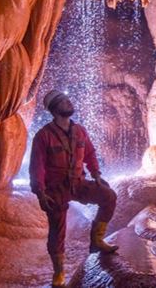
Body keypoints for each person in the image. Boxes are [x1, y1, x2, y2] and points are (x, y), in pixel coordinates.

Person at [30, 89, 118, 287]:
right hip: (55, 189)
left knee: (108, 196)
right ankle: (59, 272)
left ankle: (97, 240)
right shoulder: (43, 136)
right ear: (54, 109)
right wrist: (40, 191)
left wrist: (96, 175)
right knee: (57, 229)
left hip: (78, 183)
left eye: (68, 100)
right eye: (64, 101)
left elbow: (90, 153)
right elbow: (37, 166)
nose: (69, 102)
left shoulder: (79, 131)